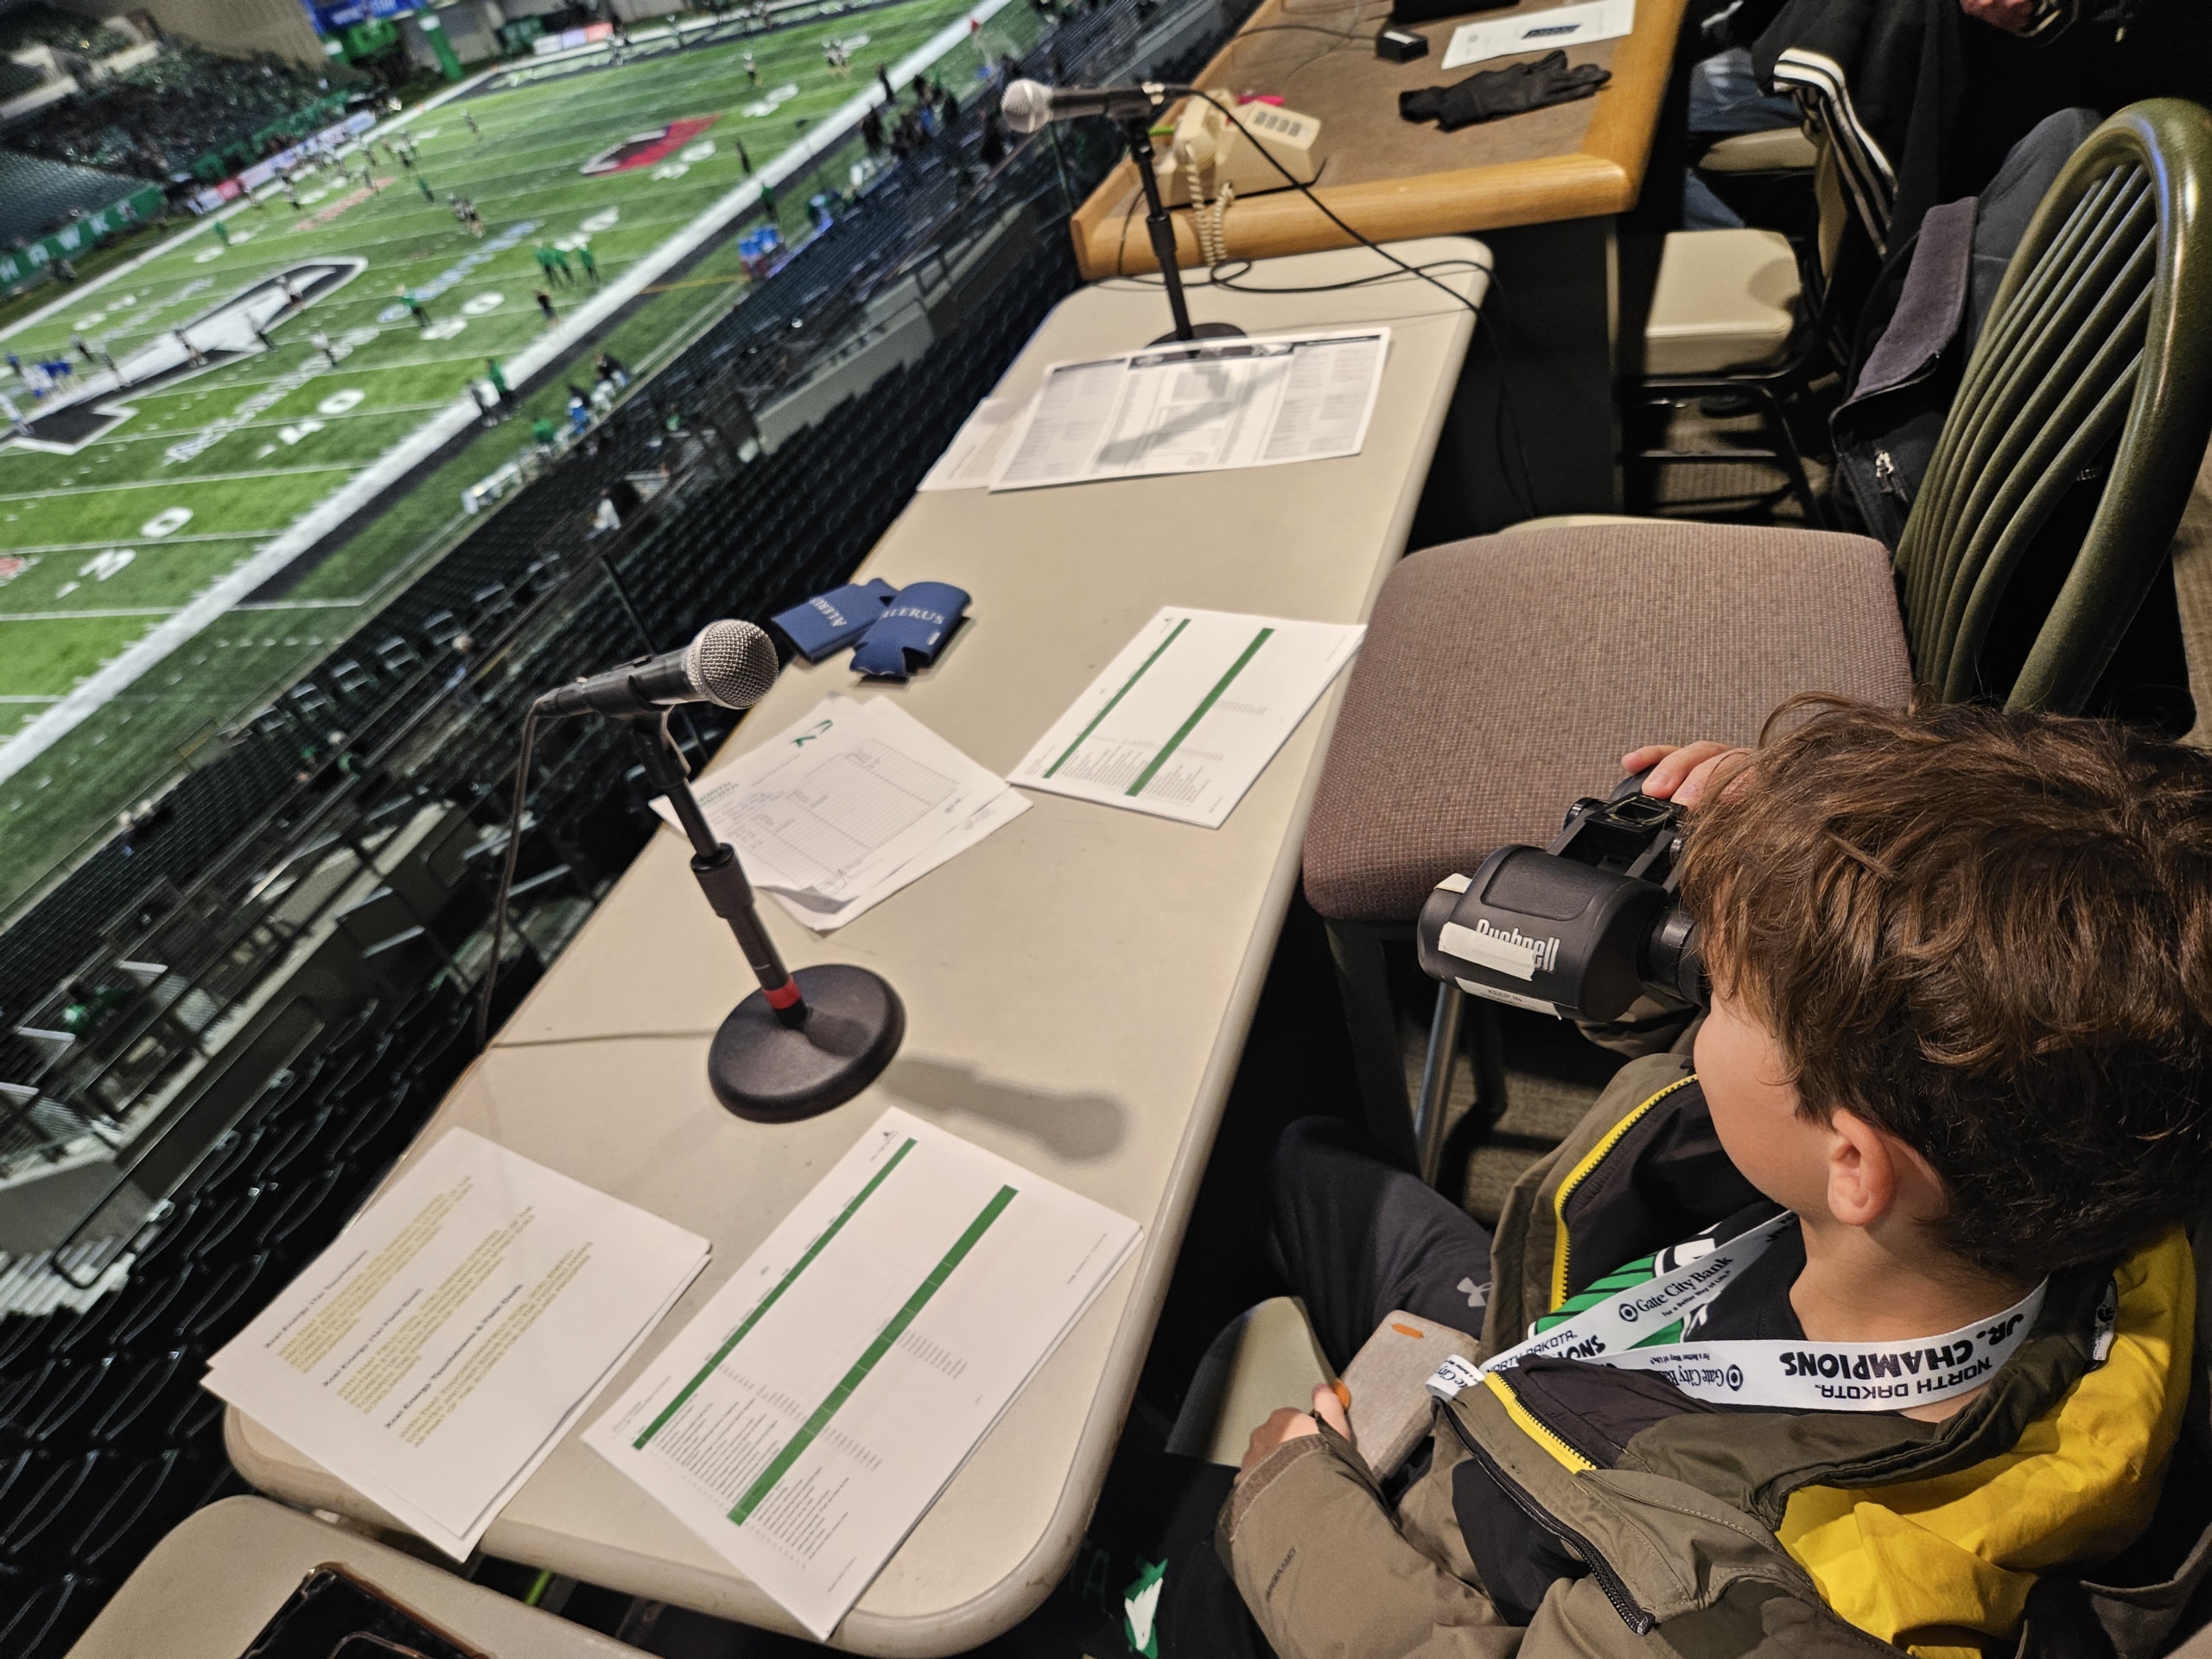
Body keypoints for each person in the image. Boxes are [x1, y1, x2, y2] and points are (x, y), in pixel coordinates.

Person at [1188, 699, 2212, 1659]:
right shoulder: (2105, 1128)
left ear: (1852, 1161)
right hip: (1554, 1360)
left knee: (1125, 1521)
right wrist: (1785, 894)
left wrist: (1288, 1498)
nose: (1700, 1001)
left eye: (1721, 993)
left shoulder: (1737, 1608)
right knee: (1294, 1166)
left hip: (1456, 1558)